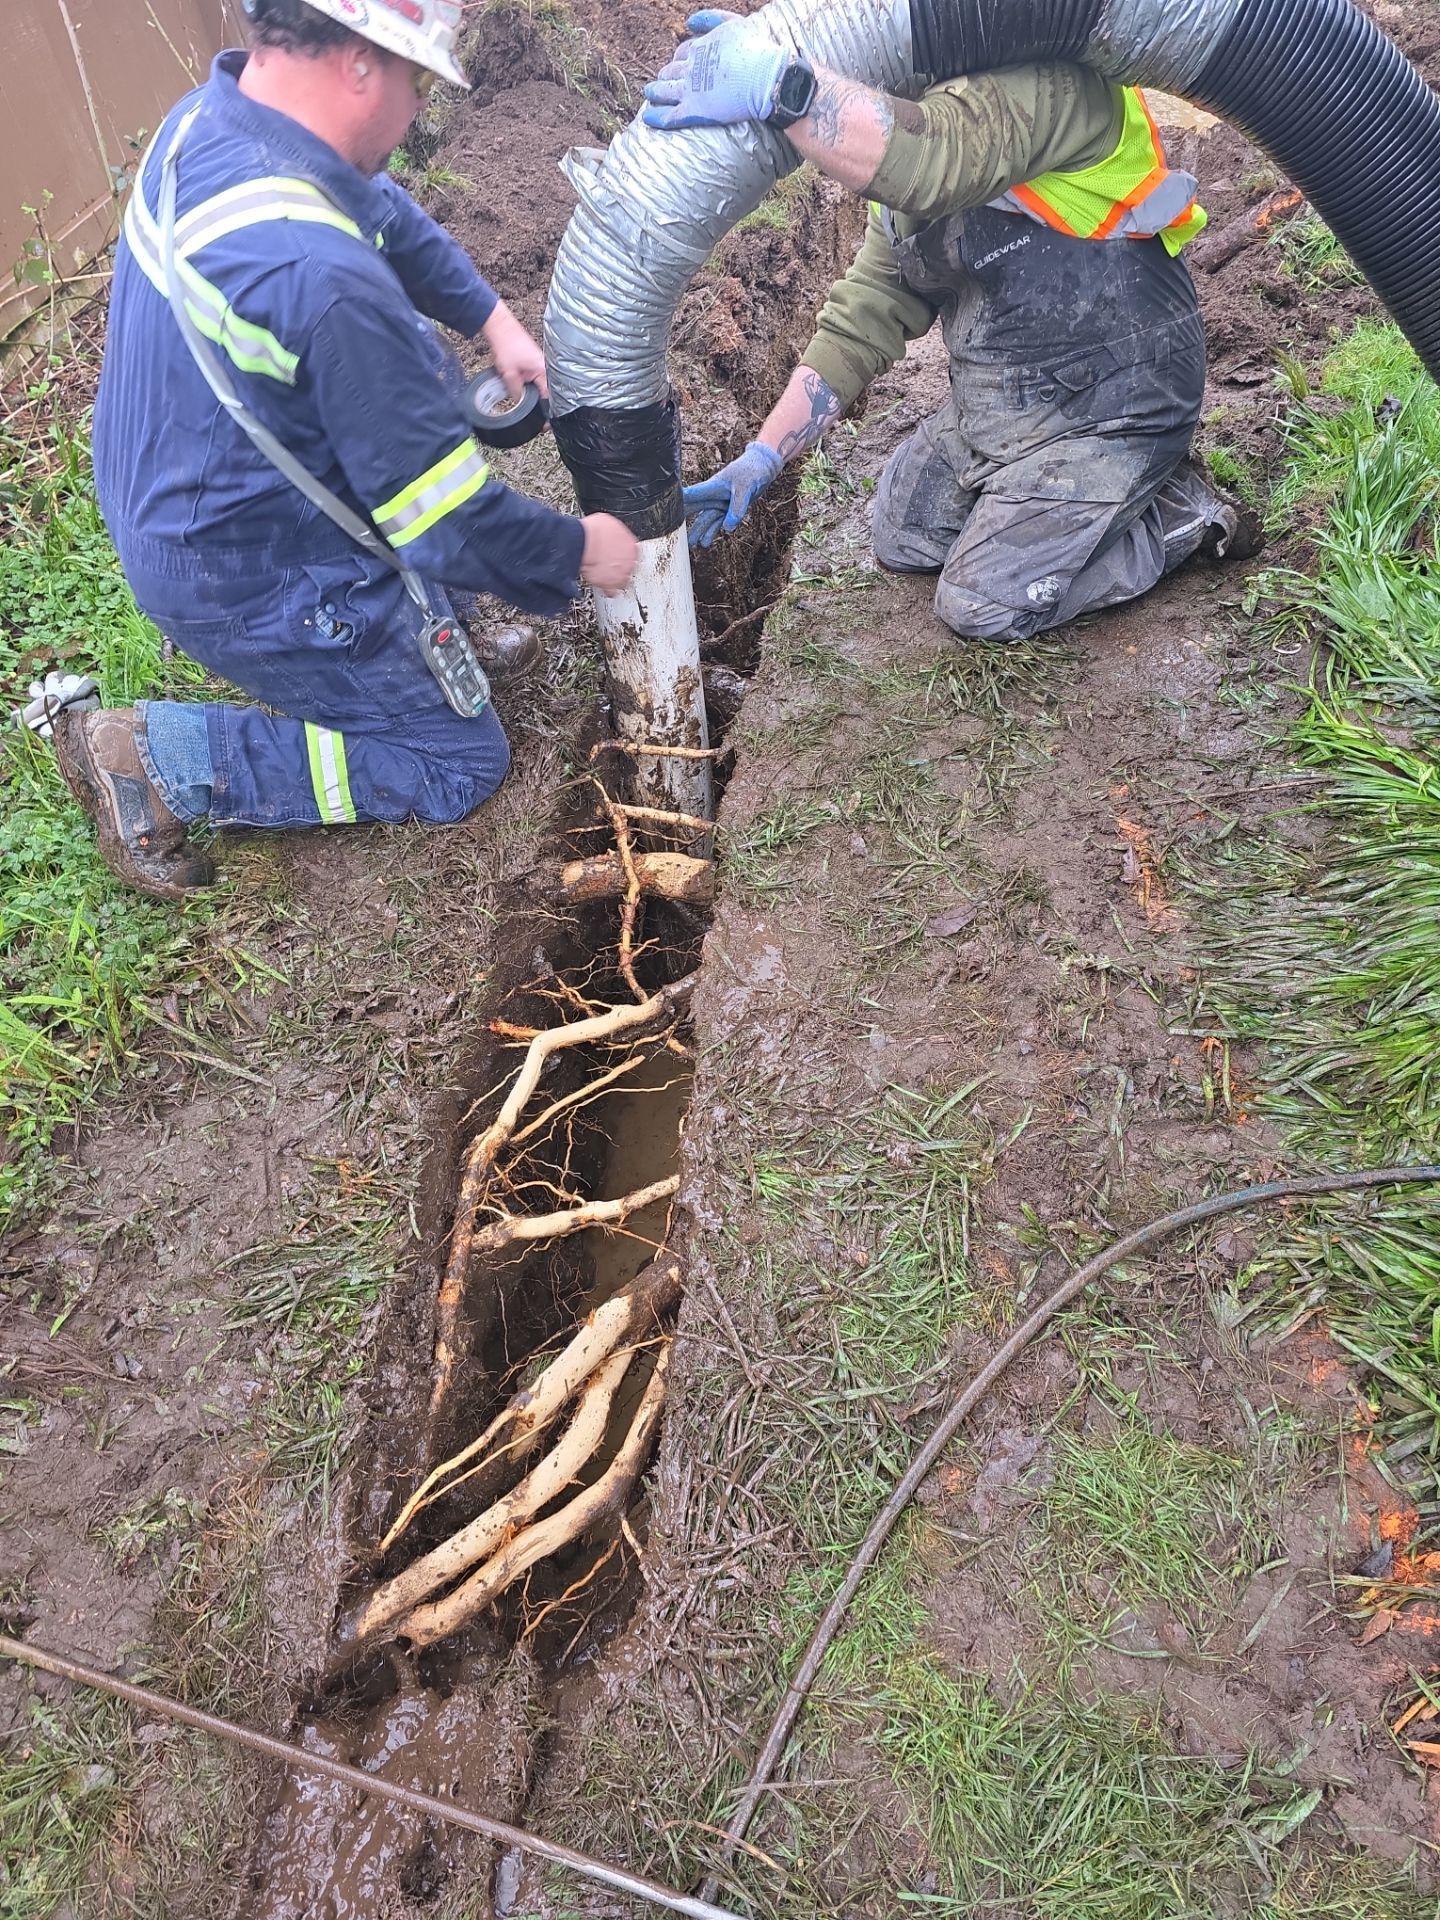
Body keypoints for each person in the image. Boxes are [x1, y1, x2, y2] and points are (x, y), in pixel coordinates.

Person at [58, 0, 637, 901]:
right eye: (415, 80)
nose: (416, 113)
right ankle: (156, 759)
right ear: (361, 63)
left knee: (401, 421)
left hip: (184, 476)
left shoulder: (213, 121)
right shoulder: (320, 280)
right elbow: (452, 526)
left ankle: (424, 640)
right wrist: (581, 552)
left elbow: (375, 204)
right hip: (239, 569)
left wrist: (490, 315)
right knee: (457, 758)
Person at [644, 11, 1250, 645]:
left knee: (982, 605)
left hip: (1117, 405)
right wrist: (761, 457)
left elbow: (933, 159)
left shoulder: (1058, 88)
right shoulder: (915, 127)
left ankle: (1176, 512)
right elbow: (866, 312)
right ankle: (1072, 504)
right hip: (1000, 409)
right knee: (904, 534)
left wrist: (783, 87)